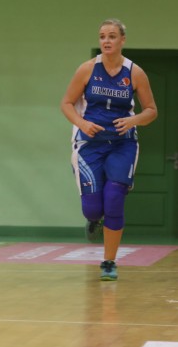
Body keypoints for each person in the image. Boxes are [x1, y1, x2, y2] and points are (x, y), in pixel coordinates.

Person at [61, 19, 157, 281]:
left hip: (122, 143)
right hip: (89, 144)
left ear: (122, 40)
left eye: (112, 36)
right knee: (92, 209)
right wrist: (82, 123)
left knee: (114, 198)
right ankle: (94, 217)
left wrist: (134, 121)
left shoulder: (135, 73)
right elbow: (67, 103)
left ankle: (109, 262)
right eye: (102, 36)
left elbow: (151, 110)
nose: (106, 41)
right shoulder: (87, 69)